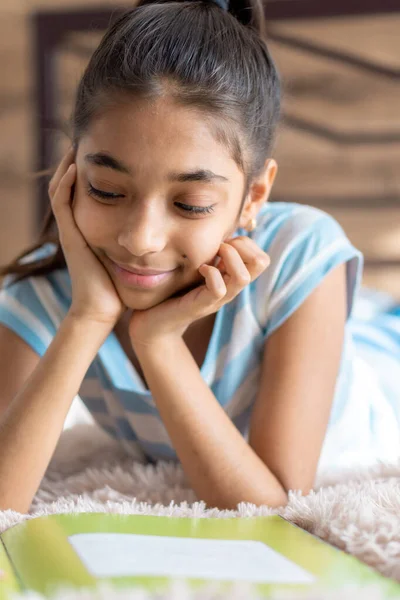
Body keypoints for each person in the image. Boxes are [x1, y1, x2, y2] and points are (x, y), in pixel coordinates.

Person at [1, 0, 400, 515]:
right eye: (105, 190)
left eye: (190, 204)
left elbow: (272, 506)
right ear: (70, 173)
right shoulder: (47, 288)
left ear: (254, 198)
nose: (141, 239)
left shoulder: (298, 253)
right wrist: (89, 316)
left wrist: (159, 342)